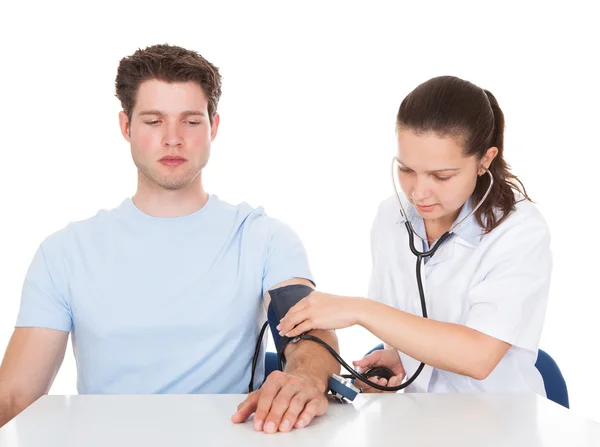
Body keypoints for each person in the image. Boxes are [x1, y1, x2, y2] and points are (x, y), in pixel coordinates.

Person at [0, 44, 339, 433]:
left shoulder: (263, 238)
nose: (173, 139)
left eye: (191, 122)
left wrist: (304, 377)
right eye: (154, 121)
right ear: (126, 127)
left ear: (213, 126)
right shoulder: (64, 252)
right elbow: (15, 398)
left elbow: (310, 331)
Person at [277, 75, 552, 395]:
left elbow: (479, 356)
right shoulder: (390, 217)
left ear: (484, 161)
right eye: (406, 169)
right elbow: (404, 330)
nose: (418, 192)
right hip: (412, 421)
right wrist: (401, 362)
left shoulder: (519, 231)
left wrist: (358, 310)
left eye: (441, 176)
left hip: (499, 426)